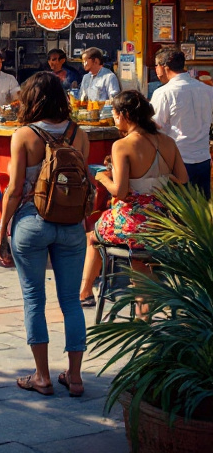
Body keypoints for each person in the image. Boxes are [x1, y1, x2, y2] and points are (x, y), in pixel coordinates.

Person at [0, 71, 90, 397]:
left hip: (31, 223)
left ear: (31, 99)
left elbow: (14, 189)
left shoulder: (23, 135)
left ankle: (42, 376)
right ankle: (75, 378)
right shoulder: (80, 134)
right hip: (72, 226)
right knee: (71, 303)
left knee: (34, 299)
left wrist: (1, 230)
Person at [80, 91, 188, 305]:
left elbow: (119, 192)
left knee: (92, 236)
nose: (114, 119)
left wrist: (101, 177)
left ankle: (84, 293)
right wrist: (158, 183)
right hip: (162, 221)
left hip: (134, 221)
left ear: (125, 115)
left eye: (115, 114)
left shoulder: (122, 145)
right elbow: (183, 179)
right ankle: (143, 311)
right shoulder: (167, 141)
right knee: (139, 259)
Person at [150, 46, 213, 197]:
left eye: (156, 66)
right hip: (203, 158)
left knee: (177, 215)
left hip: (178, 160)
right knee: (200, 214)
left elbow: (155, 126)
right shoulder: (207, 90)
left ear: (164, 67)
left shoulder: (164, 92)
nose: (156, 70)